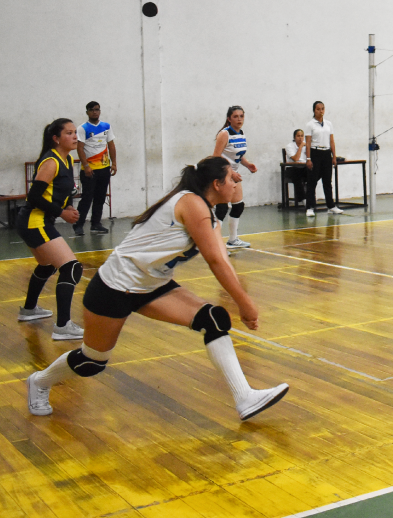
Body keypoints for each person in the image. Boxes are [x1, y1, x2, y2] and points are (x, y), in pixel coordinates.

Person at [25, 157, 289, 420]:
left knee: (213, 318)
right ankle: (40, 381)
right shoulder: (192, 204)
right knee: (92, 361)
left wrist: (242, 300)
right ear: (217, 184)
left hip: (153, 286)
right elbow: (215, 261)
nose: (237, 182)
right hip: (115, 287)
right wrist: (244, 303)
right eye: (232, 177)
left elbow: (223, 261)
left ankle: (244, 397)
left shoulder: (210, 217)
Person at [15, 119, 86, 340]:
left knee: (46, 266)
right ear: (56, 138)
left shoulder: (68, 160)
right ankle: (63, 326)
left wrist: (67, 207)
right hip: (34, 221)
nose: (75, 136)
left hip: (36, 221)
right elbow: (34, 197)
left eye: (75, 132)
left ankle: (29, 310)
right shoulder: (51, 162)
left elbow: (59, 191)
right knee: (72, 268)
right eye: (69, 133)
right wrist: (61, 212)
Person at [213, 106, 258, 248]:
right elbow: (216, 157)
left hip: (233, 174)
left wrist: (247, 164)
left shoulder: (241, 134)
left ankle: (232, 240)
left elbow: (238, 155)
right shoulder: (224, 134)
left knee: (238, 206)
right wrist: (230, 172)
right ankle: (215, 243)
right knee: (222, 208)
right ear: (229, 119)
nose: (239, 119)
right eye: (236, 116)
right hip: (222, 173)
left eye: (241, 116)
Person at [74, 101, 116, 236]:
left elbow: (111, 145)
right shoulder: (82, 128)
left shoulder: (106, 126)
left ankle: (96, 224)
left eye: (97, 109)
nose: (95, 112)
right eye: (92, 110)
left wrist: (113, 163)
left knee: (100, 197)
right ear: (87, 112)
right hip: (89, 170)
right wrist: (86, 166)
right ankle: (78, 224)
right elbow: (79, 148)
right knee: (87, 197)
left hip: (104, 169)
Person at [305, 101, 343, 217]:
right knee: (312, 181)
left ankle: (331, 206)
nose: (320, 111)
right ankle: (310, 207)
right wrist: (308, 158)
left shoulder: (328, 124)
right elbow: (308, 143)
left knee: (327, 181)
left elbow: (331, 140)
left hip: (326, 153)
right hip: (315, 152)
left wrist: (334, 156)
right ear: (314, 110)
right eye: (318, 109)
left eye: (322, 109)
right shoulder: (310, 125)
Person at [284, 128, 308, 203]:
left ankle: (310, 197)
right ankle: (303, 199)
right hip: (292, 169)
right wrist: (300, 147)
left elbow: (310, 158)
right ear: (294, 137)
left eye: (302, 136)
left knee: (313, 173)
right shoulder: (289, 146)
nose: (300, 138)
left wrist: (308, 148)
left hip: (303, 167)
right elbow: (296, 159)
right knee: (297, 175)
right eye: (298, 136)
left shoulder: (306, 145)